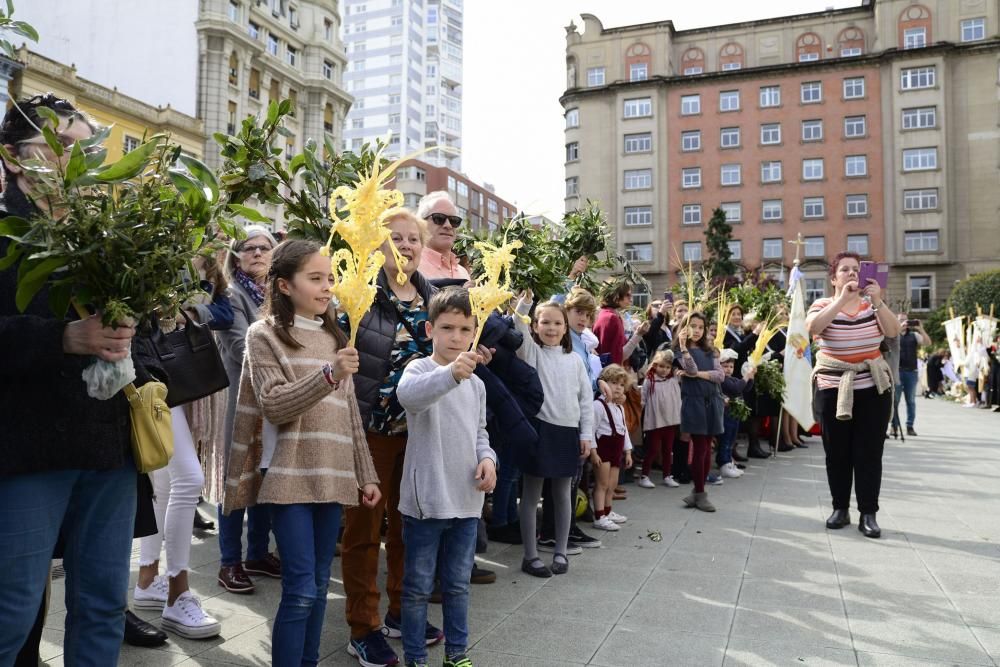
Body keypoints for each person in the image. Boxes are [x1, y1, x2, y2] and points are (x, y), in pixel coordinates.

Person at [0, 94, 140, 665]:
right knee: (12, 608)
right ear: (11, 157)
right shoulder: (7, 233)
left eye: (84, 148)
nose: (73, 163)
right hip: (28, 448)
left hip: (108, 446)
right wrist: (62, 338)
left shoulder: (111, 234)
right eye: (56, 149)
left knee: (105, 602)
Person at [221, 239, 381, 666]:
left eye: (330, 278)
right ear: (284, 285)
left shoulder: (335, 335)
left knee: (316, 592)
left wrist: (366, 475)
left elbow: (348, 415)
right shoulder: (264, 334)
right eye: (315, 278)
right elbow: (274, 404)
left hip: (332, 476)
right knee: (300, 591)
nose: (327, 287)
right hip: (288, 476)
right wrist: (330, 375)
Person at [342, 209, 444, 667]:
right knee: (363, 530)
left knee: (410, 528)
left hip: (420, 432)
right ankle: (363, 627)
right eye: (395, 238)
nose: (405, 246)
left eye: (412, 239)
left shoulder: (435, 298)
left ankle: (404, 612)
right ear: (378, 246)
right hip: (372, 431)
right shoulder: (359, 295)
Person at [396, 287, 498, 667]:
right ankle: (415, 659)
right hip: (427, 503)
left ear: (474, 333)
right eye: (447, 328)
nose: (456, 337)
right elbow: (410, 397)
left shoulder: (478, 384)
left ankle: (457, 656)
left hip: (467, 502)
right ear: (429, 330)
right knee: (418, 588)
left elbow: (480, 432)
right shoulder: (420, 369)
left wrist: (488, 460)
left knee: (457, 586)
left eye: (464, 329)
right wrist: (451, 374)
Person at [807, 251, 899, 539]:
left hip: (872, 388)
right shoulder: (823, 303)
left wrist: (877, 301)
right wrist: (841, 301)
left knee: (869, 453)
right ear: (833, 278)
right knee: (837, 453)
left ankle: (868, 513)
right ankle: (840, 508)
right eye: (844, 270)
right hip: (833, 388)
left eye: (855, 270)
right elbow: (813, 328)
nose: (850, 273)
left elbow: (893, 331)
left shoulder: (872, 307)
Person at [216, 226, 280, 594]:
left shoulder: (281, 292)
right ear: (236, 256)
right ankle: (229, 562)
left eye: (264, 247)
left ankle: (257, 553)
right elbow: (242, 346)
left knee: (264, 473)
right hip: (242, 398)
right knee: (236, 479)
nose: (256, 253)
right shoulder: (230, 294)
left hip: (273, 397)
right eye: (247, 248)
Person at [513, 292, 593, 577]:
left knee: (562, 494)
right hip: (539, 430)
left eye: (557, 323)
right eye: (544, 322)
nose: (551, 328)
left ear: (565, 327)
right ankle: (530, 556)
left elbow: (586, 400)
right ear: (535, 326)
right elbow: (517, 326)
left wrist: (587, 435)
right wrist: (524, 304)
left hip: (567, 432)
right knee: (532, 494)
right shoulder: (532, 353)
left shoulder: (574, 360)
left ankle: (560, 551)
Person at [675, 312, 725, 513]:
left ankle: (697, 492)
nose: (696, 331)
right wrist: (684, 348)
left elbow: (719, 375)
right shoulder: (679, 351)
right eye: (692, 326)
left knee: (707, 448)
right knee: (701, 448)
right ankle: (701, 493)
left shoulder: (710, 350)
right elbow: (692, 369)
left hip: (713, 401)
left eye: (700, 327)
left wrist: (699, 376)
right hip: (693, 404)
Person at [590, 364, 634, 531]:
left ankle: (608, 511)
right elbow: (591, 430)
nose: (618, 387)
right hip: (603, 449)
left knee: (612, 484)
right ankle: (599, 515)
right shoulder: (598, 406)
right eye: (614, 383)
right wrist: (593, 452)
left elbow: (624, 431)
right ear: (604, 383)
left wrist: (628, 451)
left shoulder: (619, 407)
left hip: (616, 449)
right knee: (602, 483)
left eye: (622, 385)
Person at [638, 349, 682, 489]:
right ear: (655, 365)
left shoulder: (674, 379)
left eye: (668, 367)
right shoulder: (649, 380)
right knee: (652, 449)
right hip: (655, 422)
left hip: (670, 421)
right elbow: (643, 400)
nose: (664, 370)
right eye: (661, 366)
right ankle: (644, 476)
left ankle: (667, 475)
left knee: (668, 450)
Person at [416, 191, 471, 282]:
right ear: (422, 224)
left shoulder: (463, 273)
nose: (448, 225)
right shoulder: (412, 267)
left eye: (454, 220)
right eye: (439, 218)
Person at [719, 349, 756, 478]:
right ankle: (724, 463)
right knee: (726, 440)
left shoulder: (732, 378)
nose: (728, 369)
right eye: (725, 366)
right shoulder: (723, 379)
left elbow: (744, 388)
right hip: (726, 414)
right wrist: (746, 377)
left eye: (731, 366)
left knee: (732, 439)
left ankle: (729, 462)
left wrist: (750, 378)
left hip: (734, 415)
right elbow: (736, 389)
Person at [892, 314, 930, 437]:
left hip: (911, 372)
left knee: (911, 401)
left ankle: (910, 426)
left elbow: (928, 343)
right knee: (894, 401)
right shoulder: (893, 335)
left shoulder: (914, 335)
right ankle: (894, 426)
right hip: (897, 371)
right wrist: (899, 328)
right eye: (901, 320)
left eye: (906, 320)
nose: (904, 323)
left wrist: (921, 329)